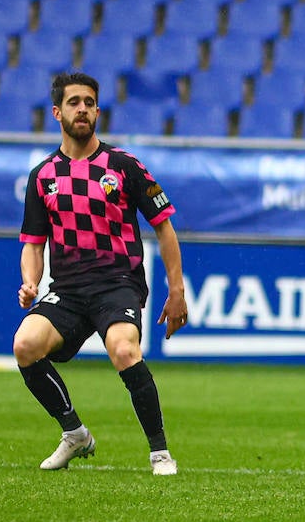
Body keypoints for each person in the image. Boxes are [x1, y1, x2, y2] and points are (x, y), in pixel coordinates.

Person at [14, 72, 191, 476]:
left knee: (125, 351)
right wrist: (30, 280)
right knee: (25, 345)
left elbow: (164, 226)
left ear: (97, 110)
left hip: (118, 284)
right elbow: (33, 242)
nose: (83, 109)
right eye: (74, 102)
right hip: (69, 290)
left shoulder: (124, 166)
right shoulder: (42, 176)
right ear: (57, 112)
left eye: (89, 103)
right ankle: (74, 433)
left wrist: (176, 289)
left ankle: (160, 453)